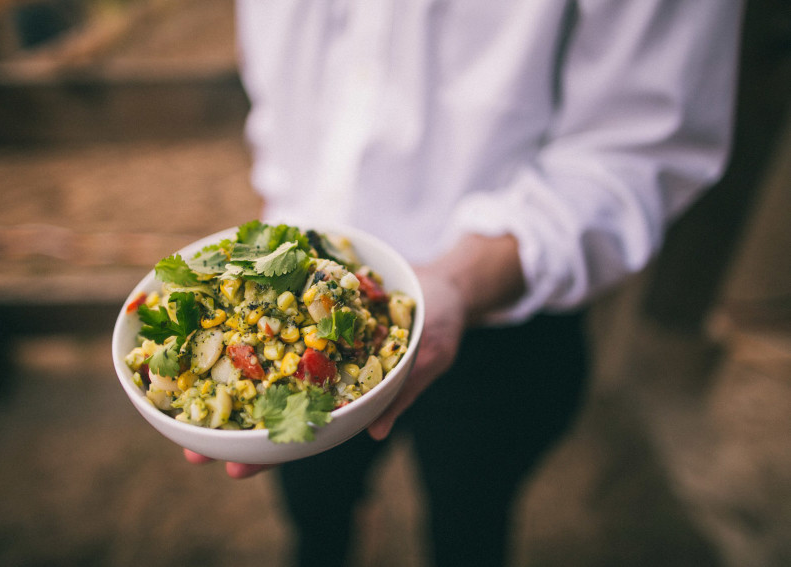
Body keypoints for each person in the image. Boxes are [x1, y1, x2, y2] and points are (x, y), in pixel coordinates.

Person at [185, 1, 744, 565]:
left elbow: (636, 143)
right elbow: (278, 97)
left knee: (471, 523)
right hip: (297, 282)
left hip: (503, 307)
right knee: (314, 510)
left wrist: (454, 280)